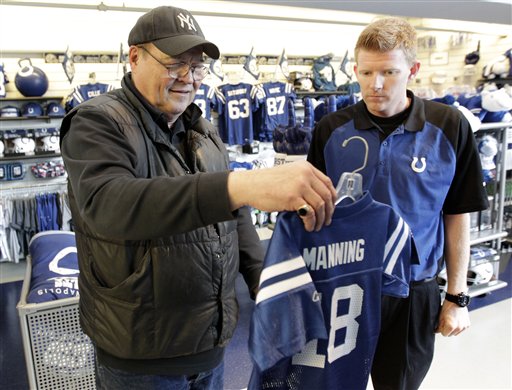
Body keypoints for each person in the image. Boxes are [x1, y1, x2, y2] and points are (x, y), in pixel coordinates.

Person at [60, 5, 336, 390]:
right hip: (141, 356)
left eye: (198, 66)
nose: (188, 78)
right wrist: (243, 185)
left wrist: (267, 287)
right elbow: (110, 205)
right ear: (135, 57)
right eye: (175, 63)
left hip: (210, 342)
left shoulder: (203, 129)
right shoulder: (96, 121)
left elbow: (234, 219)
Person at [307, 17, 489, 390]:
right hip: (345, 286)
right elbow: (314, 213)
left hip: (413, 292)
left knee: (401, 385)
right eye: (366, 72)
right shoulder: (330, 129)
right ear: (355, 70)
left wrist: (457, 297)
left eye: (389, 72)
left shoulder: (449, 127)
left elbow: (457, 216)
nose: (375, 85)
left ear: (413, 70)